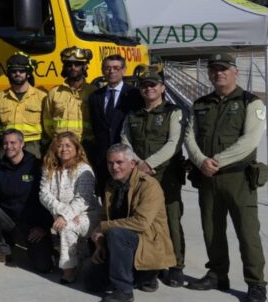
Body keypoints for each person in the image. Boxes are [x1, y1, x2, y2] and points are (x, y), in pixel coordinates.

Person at [184, 52, 268, 302]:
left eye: (223, 69)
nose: (218, 73)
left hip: (238, 179)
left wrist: (215, 162)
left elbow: (249, 141)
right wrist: (200, 161)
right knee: (212, 230)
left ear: (235, 72)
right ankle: (217, 275)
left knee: (247, 232)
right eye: (214, 69)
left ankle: (256, 283)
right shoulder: (200, 104)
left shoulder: (250, 103)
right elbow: (190, 136)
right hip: (208, 179)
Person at [121, 65, 188, 286]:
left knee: (170, 218)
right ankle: (152, 262)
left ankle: (176, 265)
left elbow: (173, 143)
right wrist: (138, 164)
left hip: (166, 174)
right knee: (143, 219)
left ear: (162, 88)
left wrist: (149, 163)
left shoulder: (173, 112)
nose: (148, 89)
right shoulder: (133, 115)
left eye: (153, 85)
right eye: (144, 85)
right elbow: (125, 139)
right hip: (140, 174)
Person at [89, 144, 176, 302]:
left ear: (132, 164)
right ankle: (142, 278)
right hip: (121, 243)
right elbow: (103, 217)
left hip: (146, 242)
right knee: (93, 284)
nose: (114, 167)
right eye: (110, 163)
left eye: (119, 162)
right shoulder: (111, 185)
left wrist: (105, 227)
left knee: (115, 233)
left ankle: (124, 289)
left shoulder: (149, 185)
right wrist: (99, 242)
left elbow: (141, 223)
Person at [0, 129, 53, 271]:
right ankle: (1, 250)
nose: (8, 146)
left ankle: (41, 248)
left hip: (33, 225)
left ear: (22, 144)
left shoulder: (37, 166)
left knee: (44, 267)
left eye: (13, 142)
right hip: (9, 219)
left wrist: (44, 227)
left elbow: (50, 199)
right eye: (5, 143)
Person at [39, 132, 99, 283]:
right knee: (67, 227)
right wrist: (63, 212)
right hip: (64, 214)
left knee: (67, 227)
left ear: (76, 148)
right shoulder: (49, 168)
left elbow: (82, 200)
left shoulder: (84, 169)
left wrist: (65, 216)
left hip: (87, 213)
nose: (63, 149)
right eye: (59, 146)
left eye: (68, 145)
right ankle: (81, 260)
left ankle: (68, 269)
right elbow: (44, 194)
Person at [88, 54, 143, 195]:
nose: (111, 71)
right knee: (106, 198)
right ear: (102, 70)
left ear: (124, 70)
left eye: (116, 68)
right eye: (107, 68)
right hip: (103, 159)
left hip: (125, 158)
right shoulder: (95, 97)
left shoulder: (135, 94)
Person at [0, 53, 46, 157]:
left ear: (28, 73)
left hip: (32, 146)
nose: (17, 73)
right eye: (13, 71)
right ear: (8, 73)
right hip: (7, 146)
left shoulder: (42, 97)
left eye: (21, 71)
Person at [43, 47, 96, 149]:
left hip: (85, 145)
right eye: (69, 64)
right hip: (60, 146)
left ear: (84, 66)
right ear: (64, 67)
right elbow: (47, 123)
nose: (73, 67)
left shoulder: (93, 92)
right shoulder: (54, 93)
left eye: (77, 64)